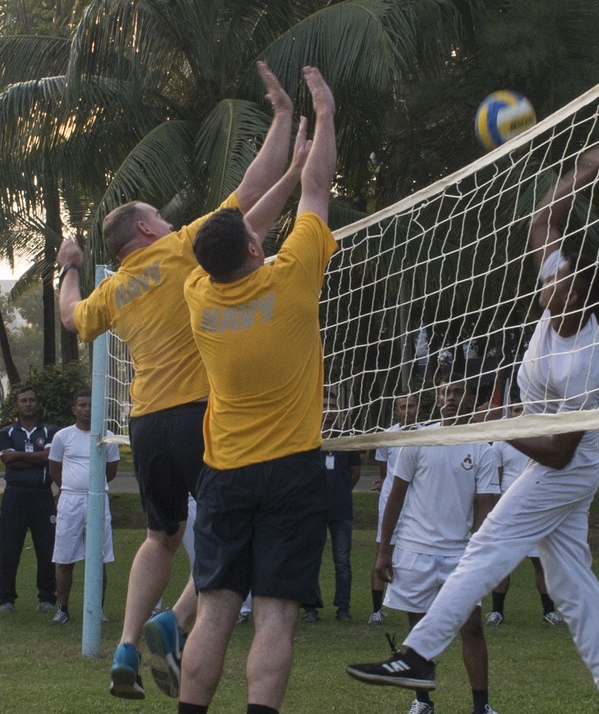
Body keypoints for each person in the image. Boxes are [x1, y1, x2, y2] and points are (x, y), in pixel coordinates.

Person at [346, 132, 599, 714]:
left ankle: (417, 654)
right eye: (550, 274)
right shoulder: (553, 294)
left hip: (564, 467)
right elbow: (544, 217)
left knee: (486, 543)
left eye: (558, 281)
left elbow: (562, 453)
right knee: (574, 588)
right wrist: (593, 164)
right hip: (535, 452)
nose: (547, 281)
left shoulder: (587, 360)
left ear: (581, 295)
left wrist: (500, 423)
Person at [57, 62, 298, 700]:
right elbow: (251, 191)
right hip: (199, 417)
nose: (167, 221)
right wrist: (281, 120)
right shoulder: (180, 248)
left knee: (161, 536)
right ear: (144, 230)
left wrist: (69, 267)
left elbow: (70, 316)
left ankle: (127, 647)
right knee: (232, 533)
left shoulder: (109, 290)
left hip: (144, 424)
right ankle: (175, 619)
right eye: (158, 218)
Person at [178, 65, 336, 714]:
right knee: (274, 618)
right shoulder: (292, 280)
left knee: (214, 611)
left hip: (224, 473)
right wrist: (324, 114)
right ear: (254, 247)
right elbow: (322, 188)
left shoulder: (197, 296)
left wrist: (294, 173)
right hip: (291, 472)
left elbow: (260, 219)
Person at [374, 374, 500, 714]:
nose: (451, 397)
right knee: (419, 628)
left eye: (458, 392)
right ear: (437, 398)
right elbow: (395, 497)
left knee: (471, 626)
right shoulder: (419, 440)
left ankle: (481, 706)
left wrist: (479, 547)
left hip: (459, 552)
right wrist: (385, 549)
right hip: (415, 549)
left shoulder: (481, 448)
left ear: (469, 399)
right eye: (445, 392)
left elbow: (486, 504)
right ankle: (423, 701)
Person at [485, 402, 563, 627]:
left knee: (541, 564)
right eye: (515, 410)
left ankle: (549, 611)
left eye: (522, 410)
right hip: (510, 513)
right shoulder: (502, 441)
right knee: (502, 564)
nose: (519, 414)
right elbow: (495, 479)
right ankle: (496, 611)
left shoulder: (543, 437)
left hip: (537, 511)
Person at [48, 390, 120, 625]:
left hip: (98, 500)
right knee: (65, 557)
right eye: (82, 405)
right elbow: (54, 468)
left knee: (98, 557)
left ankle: (97, 608)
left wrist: (94, 488)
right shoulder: (62, 436)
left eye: (91, 404)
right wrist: (69, 487)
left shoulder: (106, 436)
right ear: (74, 409)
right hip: (70, 501)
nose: (87, 409)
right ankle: (62, 608)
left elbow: (111, 471)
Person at [0, 386, 58, 613]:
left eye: (32, 400)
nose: (28, 404)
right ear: (17, 405)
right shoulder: (7, 433)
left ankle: (47, 598)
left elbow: (51, 457)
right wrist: (37, 459)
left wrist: (19, 455)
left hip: (42, 494)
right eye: (24, 400)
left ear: (37, 404)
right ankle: (6, 599)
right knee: (10, 547)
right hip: (15, 494)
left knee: (47, 547)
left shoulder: (50, 432)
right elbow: (8, 462)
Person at [303, 392, 362, 623]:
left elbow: (355, 473)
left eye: (333, 406)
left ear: (339, 410)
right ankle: (310, 608)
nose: (329, 411)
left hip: (341, 511)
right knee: (311, 560)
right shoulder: (308, 436)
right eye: (325, 405)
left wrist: (340, 492)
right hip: (312, 511)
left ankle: (343, 608)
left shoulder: (346, 438)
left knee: (342, 561)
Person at [369, 394, 420, 625]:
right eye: (403, 407)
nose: (407, 410)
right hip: (391, 501)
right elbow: (385, 472)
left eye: (411, 406)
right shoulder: (388, 435)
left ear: (417, 408)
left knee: (418, 552)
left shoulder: (427, 433)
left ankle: (420, 604)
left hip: (418, 503)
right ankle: (377, 610)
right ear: (396, 411)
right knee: (383, 550)